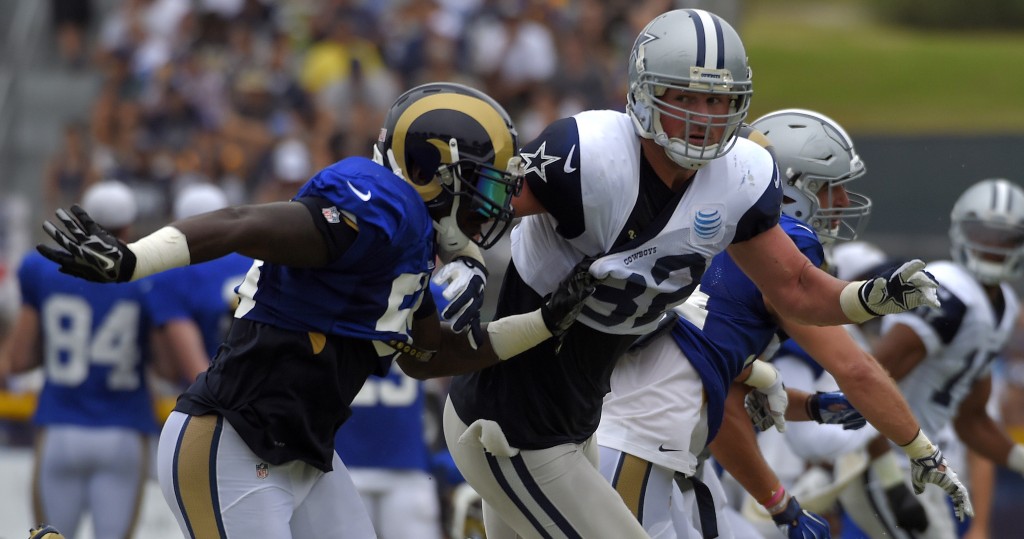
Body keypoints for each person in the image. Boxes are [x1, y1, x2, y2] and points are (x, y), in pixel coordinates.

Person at [442, 10, 945, 539]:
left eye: (718, 100)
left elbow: (796, 287)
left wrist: (875, 297)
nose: (704, 116)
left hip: (575, 423)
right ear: (643, 92)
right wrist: (461, 264)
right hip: (512, 423)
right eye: (684, 97)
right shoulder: (588, 155)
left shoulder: (740, 177)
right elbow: (475, 211)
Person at [35, 82, 592, 538]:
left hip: (304, 456)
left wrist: (543, 323)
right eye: (479, 186)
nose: (490, 206)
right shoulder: (385, 207)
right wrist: (134, 261)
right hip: (233, 441)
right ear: (426, 171)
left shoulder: (408, 243)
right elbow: (241, 224)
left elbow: (429, 355)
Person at [595, 109, 965, 539]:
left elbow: (716, 374)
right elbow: (855, 369)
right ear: (790, 189)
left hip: (658, 446)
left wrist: (806, 405)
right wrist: (924, 453)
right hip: (643, 443)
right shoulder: (785, 242)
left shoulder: (714, 236)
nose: (843, 203)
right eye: (831, 189)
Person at [841, 178, 1024, 539]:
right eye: (983, 234)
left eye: (1005, 238)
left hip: (922, 466)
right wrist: (890, 480)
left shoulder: (1001, 305)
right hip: (884, 461)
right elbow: (866, 383)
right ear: (960, 231)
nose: (993, 247)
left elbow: (971, 419)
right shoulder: (948, 293)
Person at [0, 181, 158, 539]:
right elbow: (165, 365)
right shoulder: (148, 274)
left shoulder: (40, 269)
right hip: (124, 428)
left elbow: (19, 359)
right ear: (129, 227)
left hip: (60, 427)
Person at [143, 183, 253, 385]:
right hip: (270, 390)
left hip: (218, 395)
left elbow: (185, 370)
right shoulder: (256, 258)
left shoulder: (171, 277)